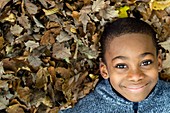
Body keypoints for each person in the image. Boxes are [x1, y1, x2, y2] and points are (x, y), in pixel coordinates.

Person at [59, 17, 170, 113]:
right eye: (121, 66)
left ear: (159, 62)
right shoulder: (85, 110)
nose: (135, 76)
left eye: (146, 62)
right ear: (104, 70)